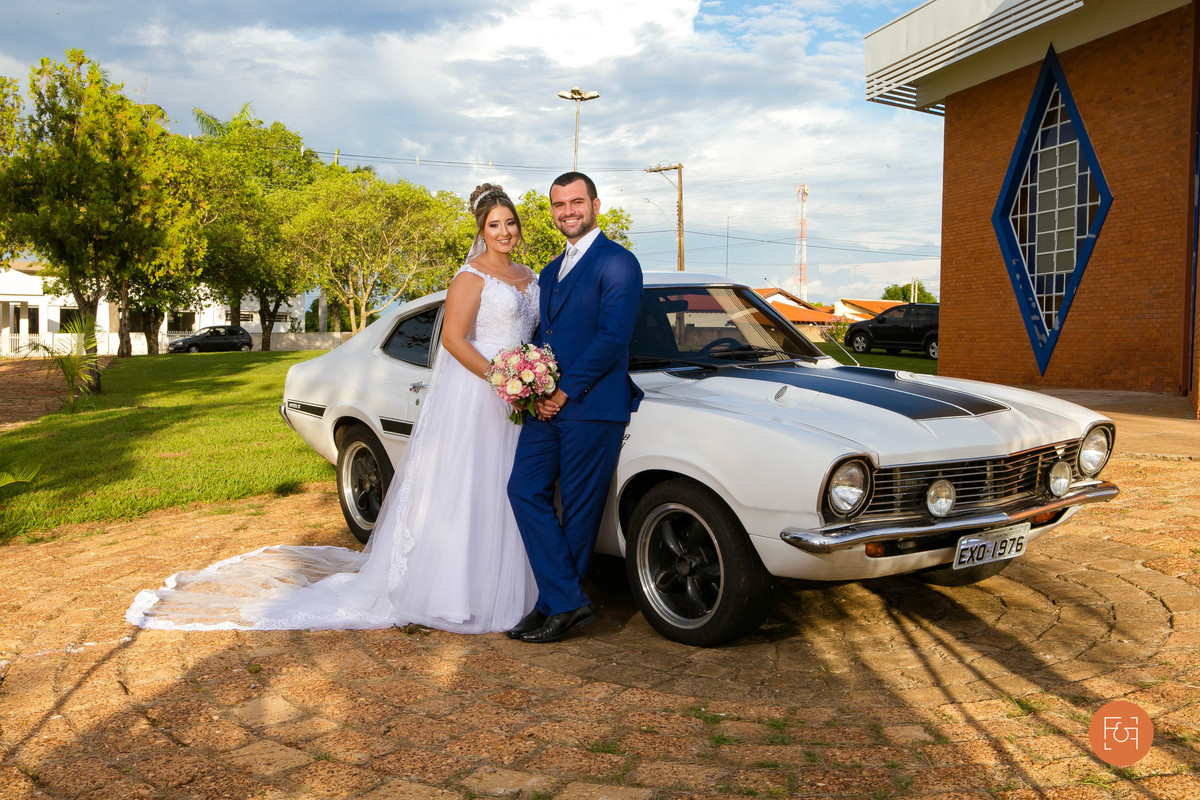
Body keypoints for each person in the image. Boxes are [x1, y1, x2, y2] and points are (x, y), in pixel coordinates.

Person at [125, 184, 539, 633]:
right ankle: (461, 593)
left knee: (511, 490)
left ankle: (512, 586)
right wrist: (503, 378)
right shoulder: (470, 277)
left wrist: (532, 377)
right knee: (473, 489)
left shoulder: (531, 275)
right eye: (494, 224)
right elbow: (452, 340)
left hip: (523, 395)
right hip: (481, 395)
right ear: (481, 230)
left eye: (510, 222)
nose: (504, 231)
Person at [505, 172, 643, 644]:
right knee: (523, 490)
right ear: (552, 211)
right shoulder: (549, 270)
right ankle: (565, 601)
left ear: (596, 205)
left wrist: (564, 392)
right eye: (559, 204)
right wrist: (536, 387)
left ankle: (554, 606)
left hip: (593, 405)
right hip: (546, 405)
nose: (568, 211)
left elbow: (612, 338)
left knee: (581, 512)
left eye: (577, 202)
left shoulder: (619, 263)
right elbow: (547, 337)